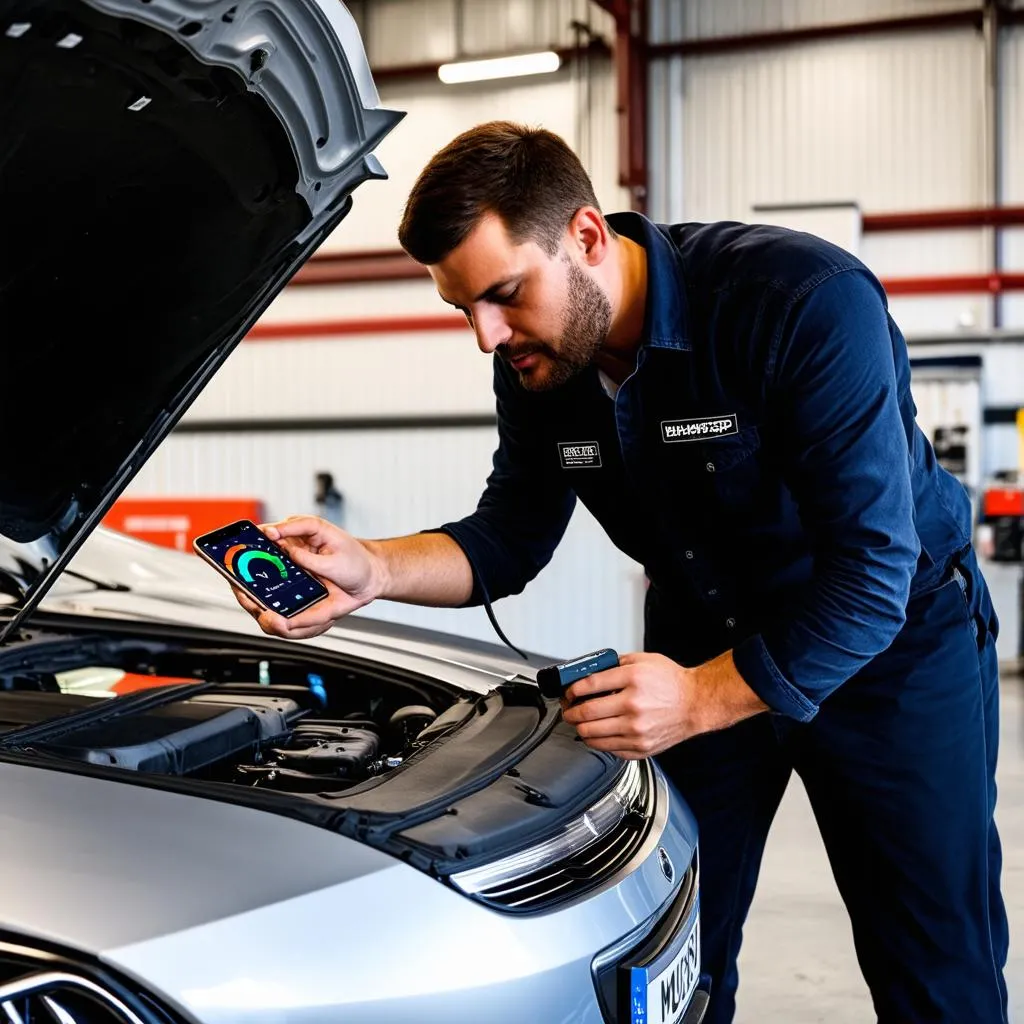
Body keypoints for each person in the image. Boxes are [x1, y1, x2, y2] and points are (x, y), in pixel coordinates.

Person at [234, 122, 1008, 1023]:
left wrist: (702, 701)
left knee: (935, 967)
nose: (486, 336)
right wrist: (373, 569)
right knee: (669, 947)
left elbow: (874, 570)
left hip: (893, 648)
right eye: (463, 309)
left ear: (588, 238)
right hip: (698, 642)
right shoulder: (541, 362)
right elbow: (508, 538)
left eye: (503, 295)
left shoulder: (800, 299)